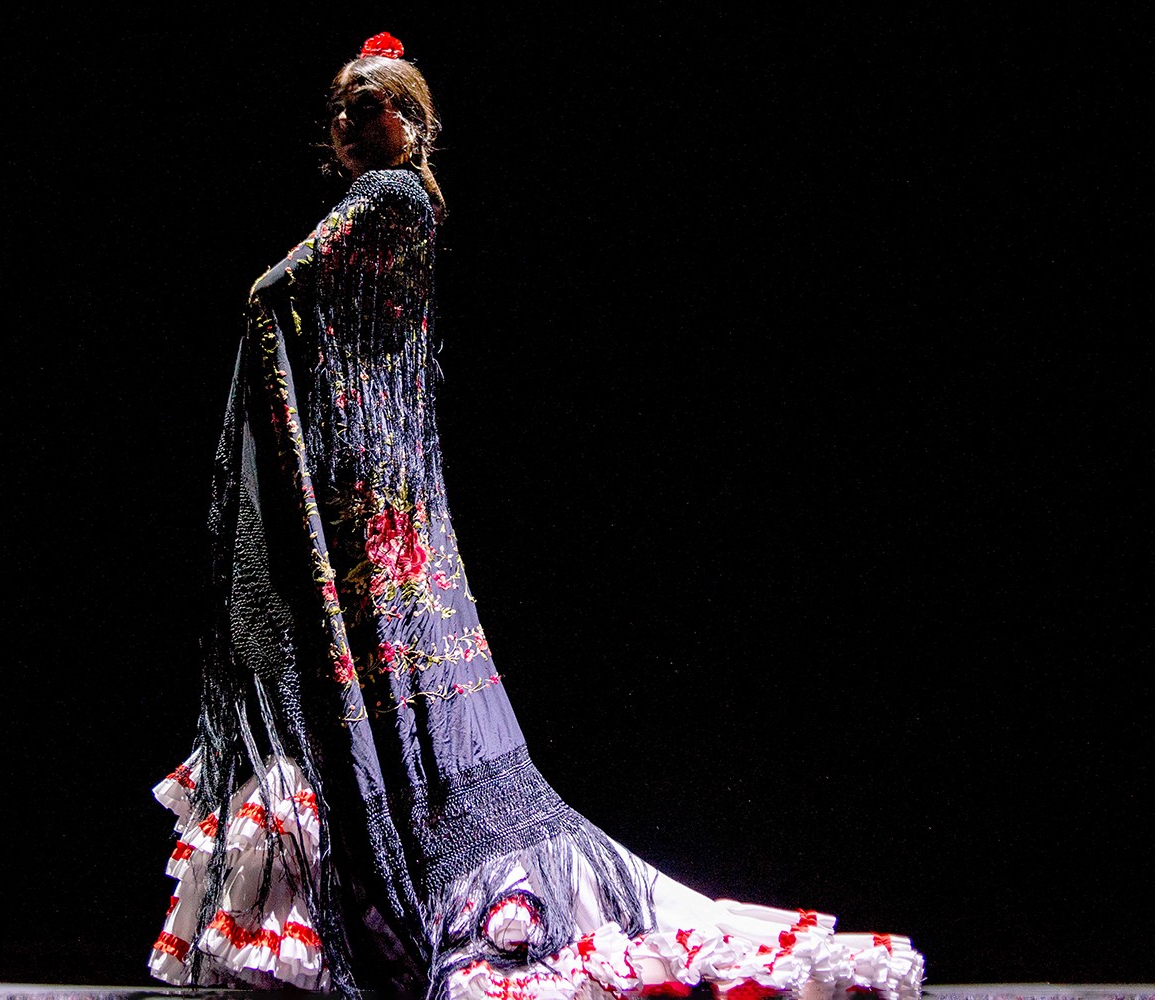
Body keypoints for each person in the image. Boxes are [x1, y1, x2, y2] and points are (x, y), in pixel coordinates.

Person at [148, 33, 925, 1000]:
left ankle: (418, 874)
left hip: (366, 484)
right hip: (384, 483)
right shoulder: (412, 203)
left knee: (380, 678)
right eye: (344, 109)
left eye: (374, 103)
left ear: (415, 119)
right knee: (397, 680)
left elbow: (270, 289)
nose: (353, 121)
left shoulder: (387, 198)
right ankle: (398, 862)